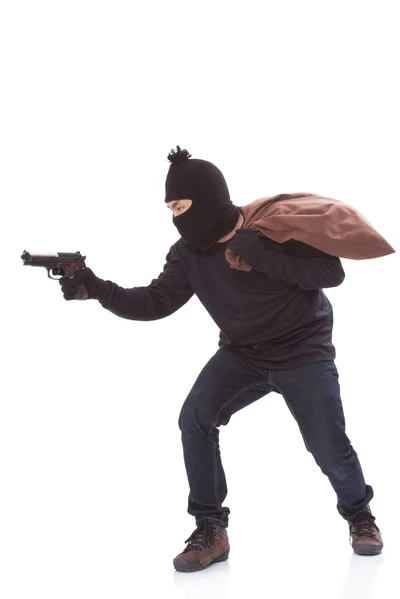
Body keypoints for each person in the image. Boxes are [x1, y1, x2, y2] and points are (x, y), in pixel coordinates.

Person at [60, 146, 383, 572]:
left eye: (181, 205)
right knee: (194, 418)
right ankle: (211, 529)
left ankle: (359, 514)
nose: (175, 216)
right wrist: (97, 288)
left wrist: (263, 255)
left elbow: (332, 274)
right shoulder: (187, 253)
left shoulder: (269, 232)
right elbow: (157, 302)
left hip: (303, 351)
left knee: (328, 447)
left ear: (209, 198)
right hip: (242, 354)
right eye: (170, 208)